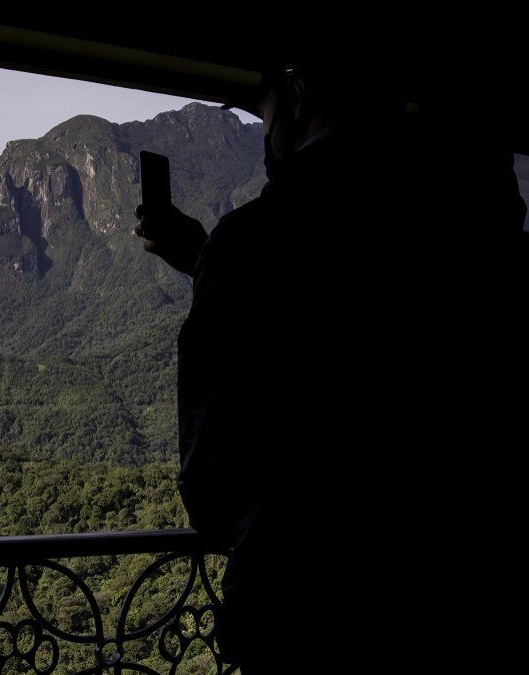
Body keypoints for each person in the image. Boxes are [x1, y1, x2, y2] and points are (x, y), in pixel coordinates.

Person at [136, 55, 421, 674]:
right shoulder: (458, 229)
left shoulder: (253, 240)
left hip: (300, 609)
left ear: (296, 95)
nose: (266, 140)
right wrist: (204, 256)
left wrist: (216, 261)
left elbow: (210, 480)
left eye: (264, 118)